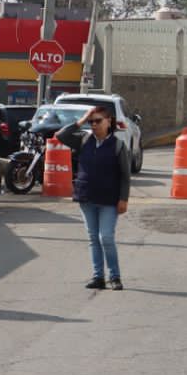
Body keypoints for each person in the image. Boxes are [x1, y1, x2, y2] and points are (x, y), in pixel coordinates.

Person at [57, 105, 132, 290]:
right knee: (93, 238)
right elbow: (61, 135)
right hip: (87, 197)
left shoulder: (118, 145)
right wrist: (81, 120)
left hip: (109, 200)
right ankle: (98, 277)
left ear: (109, 121)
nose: (94, 125)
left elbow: (125, 175)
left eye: (98, 121)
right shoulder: (84, 140)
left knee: (106, 237)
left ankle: (114, 276)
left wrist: (123, 199)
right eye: (91, 122)